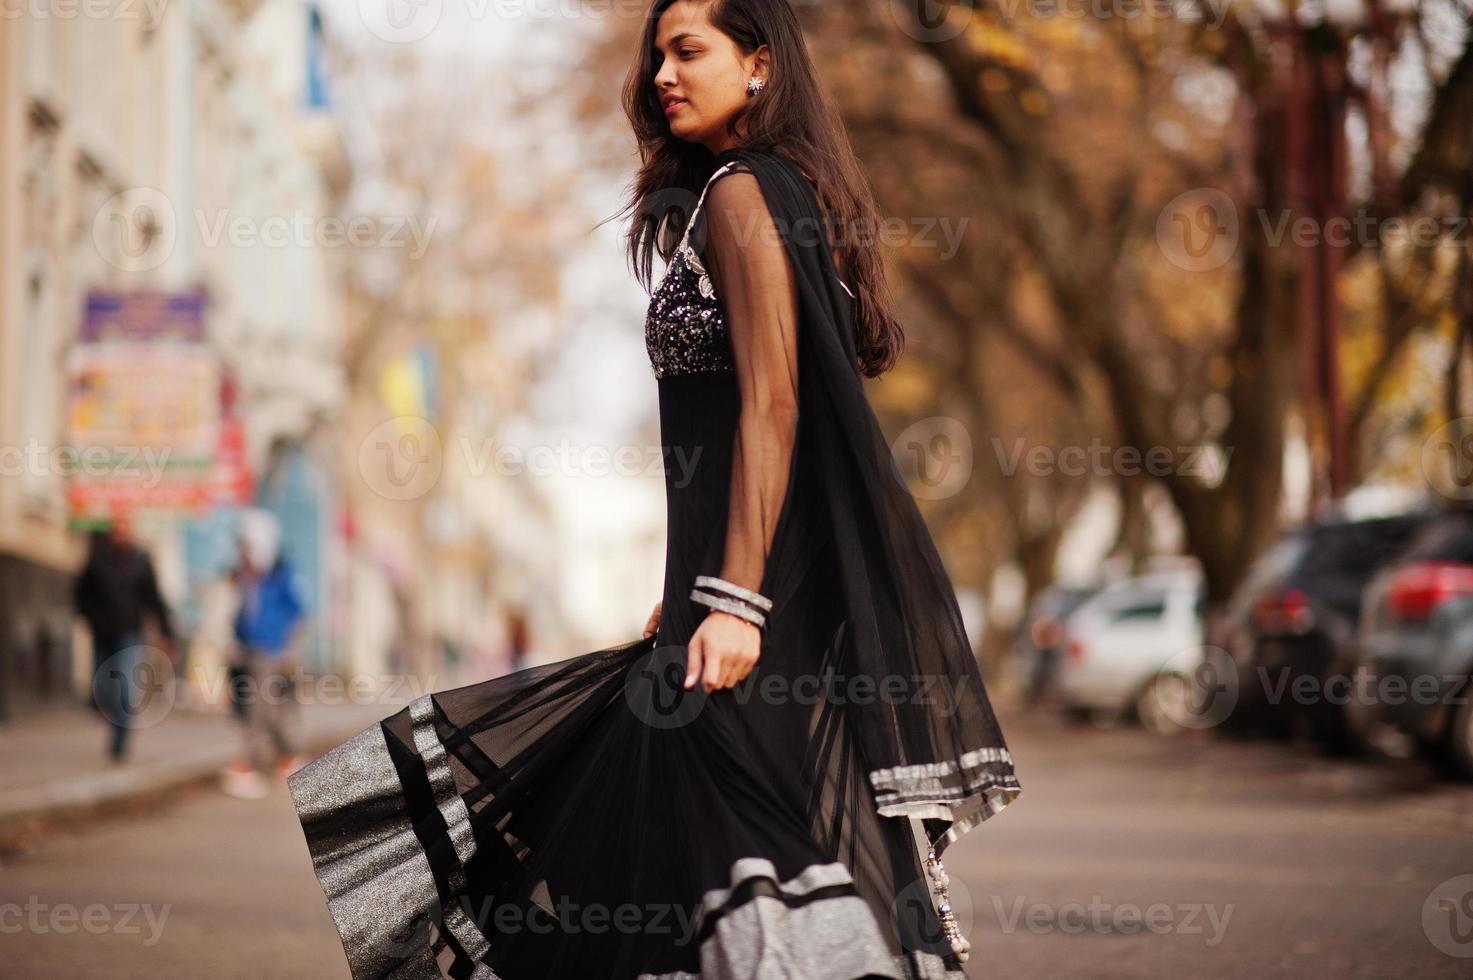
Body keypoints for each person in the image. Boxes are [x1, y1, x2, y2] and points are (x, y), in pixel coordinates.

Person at [286, 2, 1021, 977]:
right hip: (732, 592)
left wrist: (734, 598)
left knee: (725, 841)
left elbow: (774, 406)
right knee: (670, 843)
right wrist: (702, 580)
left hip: (753, 609)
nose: (662, 75)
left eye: (689, 51)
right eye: (657, 56)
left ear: (758, 66)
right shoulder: (765, 192)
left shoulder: (746, 193)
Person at [73, 513, 177, 762]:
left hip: (129, 633)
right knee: (102, 687)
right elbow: (80, 593)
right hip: (102, 632)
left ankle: (120, 738)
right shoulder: (98, 558)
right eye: (117, 527)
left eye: (125, 527)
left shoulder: (141, 561)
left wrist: (167, 632)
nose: (121, 533)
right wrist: (89, 617)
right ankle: (114, 718)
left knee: (125, 685)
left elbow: (154, 599)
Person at [222, 509, 310, 799]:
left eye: (248, 545)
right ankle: (289, 758)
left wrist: (290, 648)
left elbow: (300, 613)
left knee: (257, 707)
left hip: (272, 650)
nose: (243, 552)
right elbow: (241, 612)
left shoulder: (282, 574)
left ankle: (247, 765)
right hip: (248, 650)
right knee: (270, 708)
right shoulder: (246, 575)